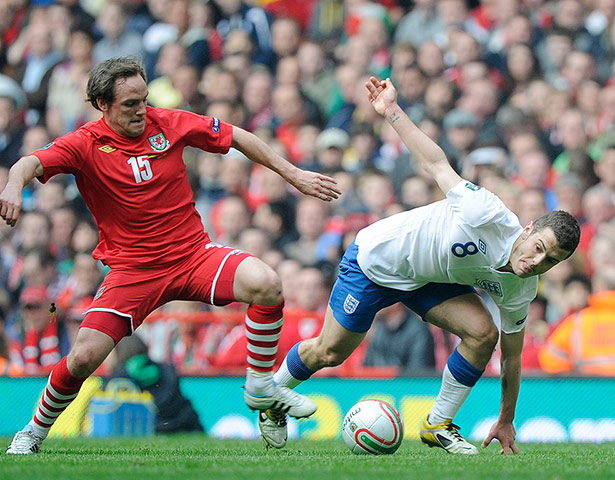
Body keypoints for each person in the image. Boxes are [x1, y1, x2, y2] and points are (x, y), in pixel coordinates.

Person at [2, 57, 341, 455]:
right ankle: (33, 431)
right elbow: (30, 162)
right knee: (82, 359)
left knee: (267, 283)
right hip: (134, 271)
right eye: (129, 104)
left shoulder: (168, 122)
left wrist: (294, 174)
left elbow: (237, 136)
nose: (141, 110)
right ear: (102, 104)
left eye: (144, 99)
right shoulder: (84, 144)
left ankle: (262, 390)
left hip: (192, 255)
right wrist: (12, 185)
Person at [258, 77, 580, 454]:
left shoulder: (522, 288)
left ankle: (437, 424)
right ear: (528, 229)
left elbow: (511, 357)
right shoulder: (486, 212)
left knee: (483, 334)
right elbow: (434, 162)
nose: (536, 262)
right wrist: (391, 110)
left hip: (428, 279)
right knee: (329, 353)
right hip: (376, 260)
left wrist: (506, 418)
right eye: (538, 247)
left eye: (550, 261)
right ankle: (270, 398)